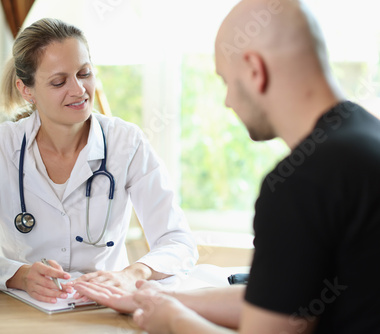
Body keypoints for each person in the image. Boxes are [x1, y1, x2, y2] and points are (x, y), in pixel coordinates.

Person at [74, 0, 380, 333]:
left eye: (226, 81)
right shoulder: (365, 139)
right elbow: (279, 301)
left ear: (254, 70)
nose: (228, 100)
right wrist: (159, 297)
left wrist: (174, 320)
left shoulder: (302, 184)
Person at [0, 18, 198, 303]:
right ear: (26, 90)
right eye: (59, 81)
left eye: (84, 73)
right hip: (22, 310)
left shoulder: (127, 143)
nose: (79, 90)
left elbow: (178, 242)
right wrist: (17, 275)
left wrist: (132, 274)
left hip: (104, 308)